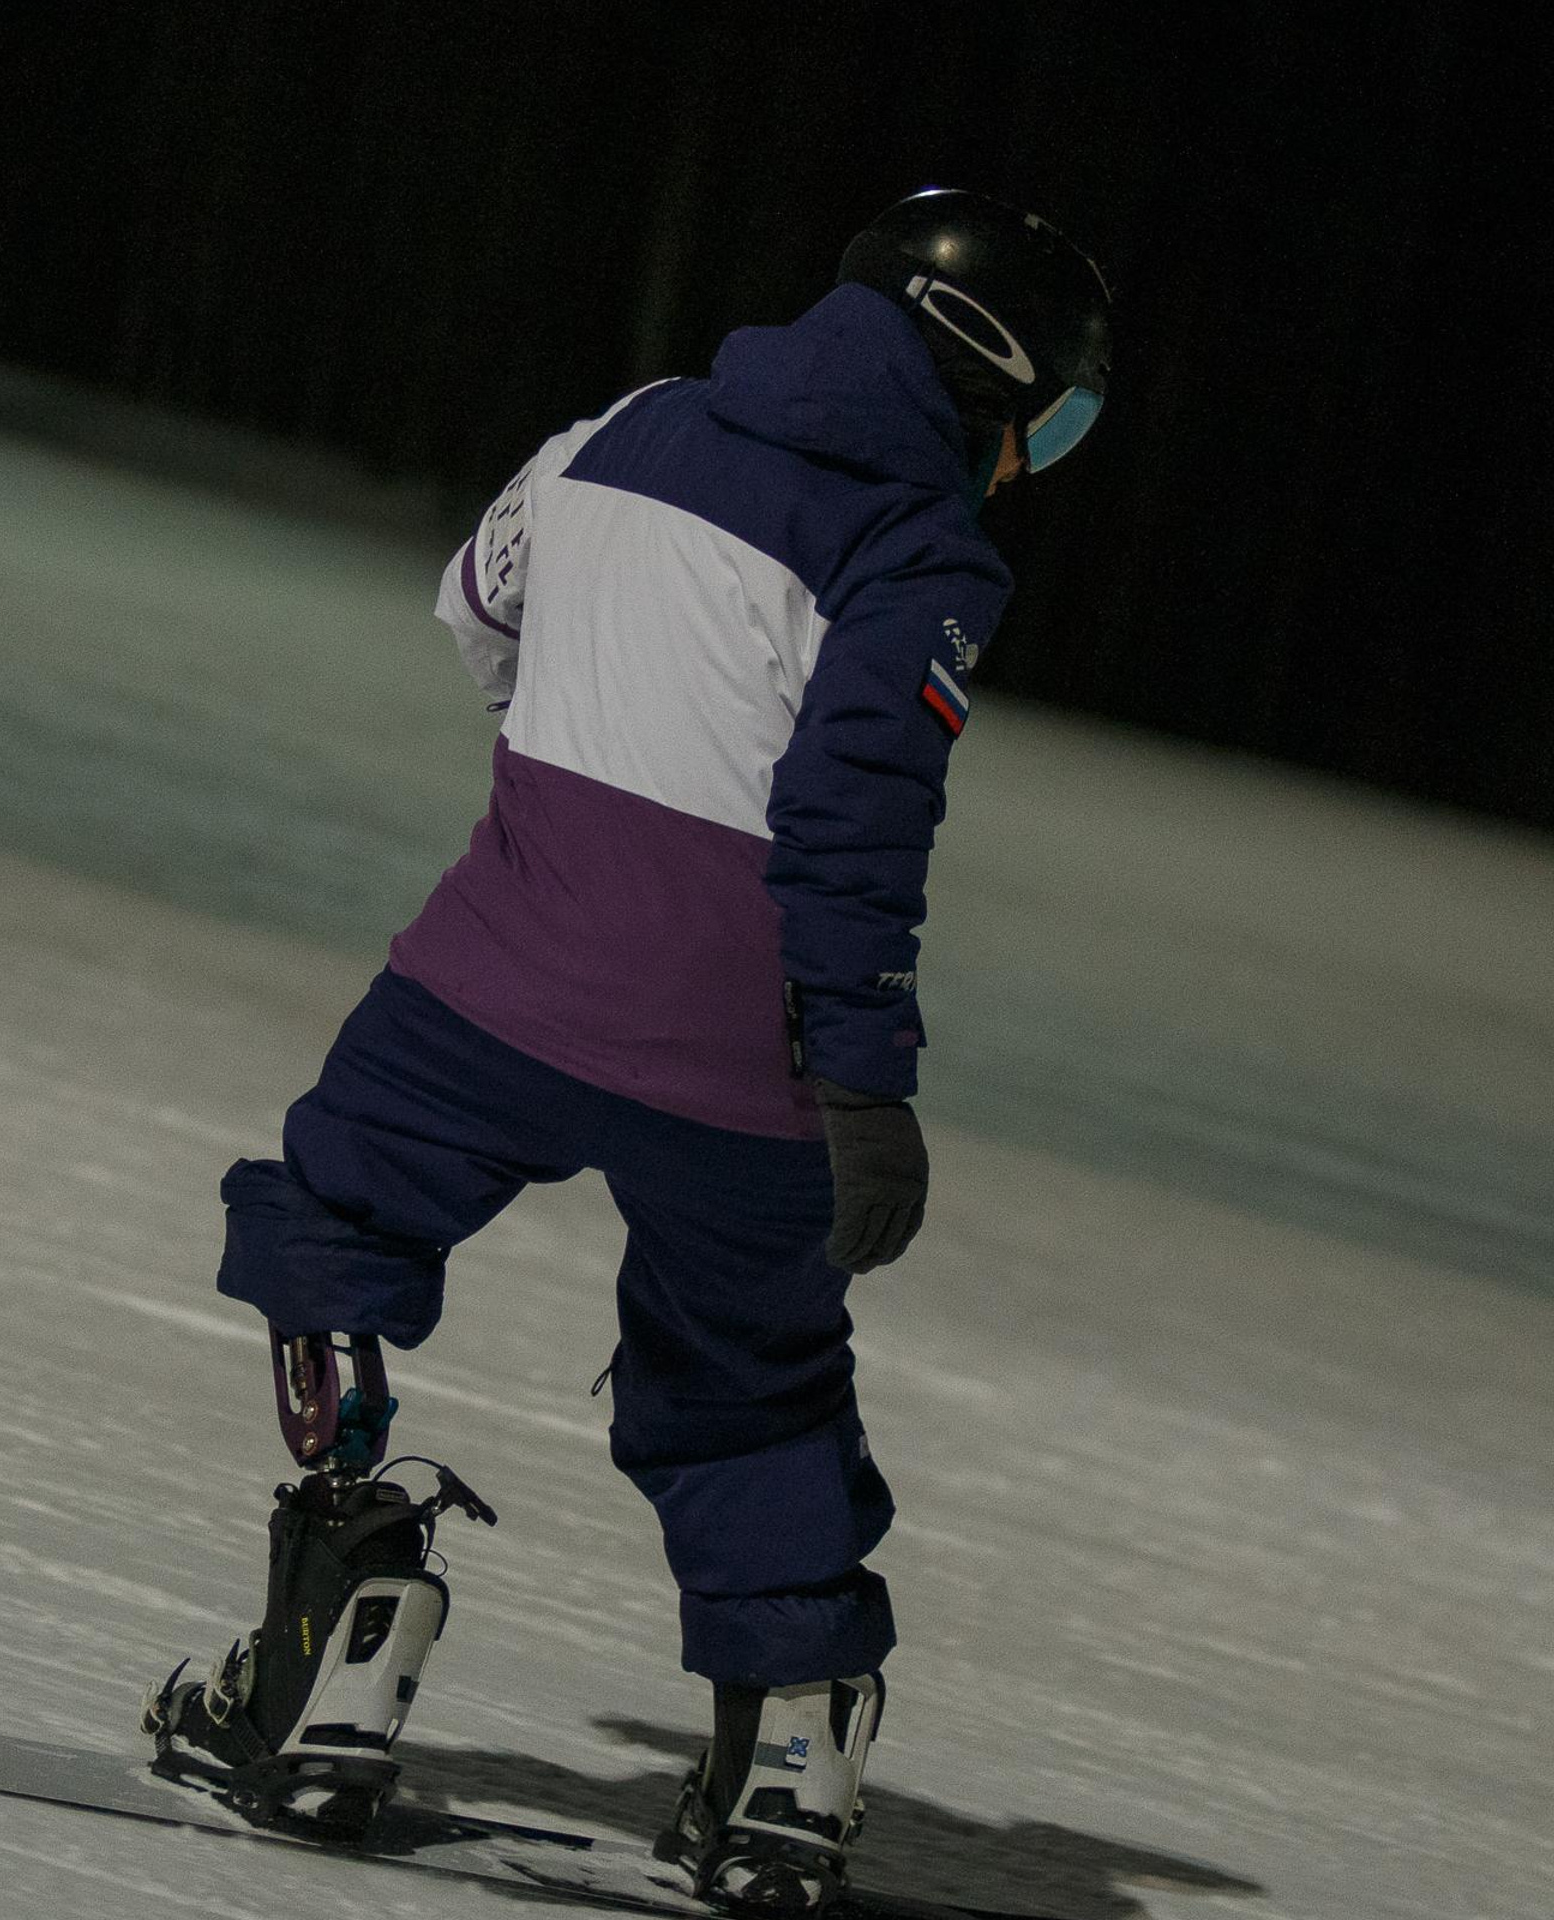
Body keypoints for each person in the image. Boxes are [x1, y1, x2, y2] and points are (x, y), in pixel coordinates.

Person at [160, 187, 1112, 1915]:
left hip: (492, 991)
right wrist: (869, 1084)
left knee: (337, 1218)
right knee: (750, 1387)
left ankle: (345, 1632)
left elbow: (479, 609)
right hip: (739, 1069)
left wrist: (597, 756)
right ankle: (791, 1762)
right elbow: (854, 827)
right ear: (996, 382)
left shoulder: (625, 431)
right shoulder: (924, 547)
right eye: (1057, 418)